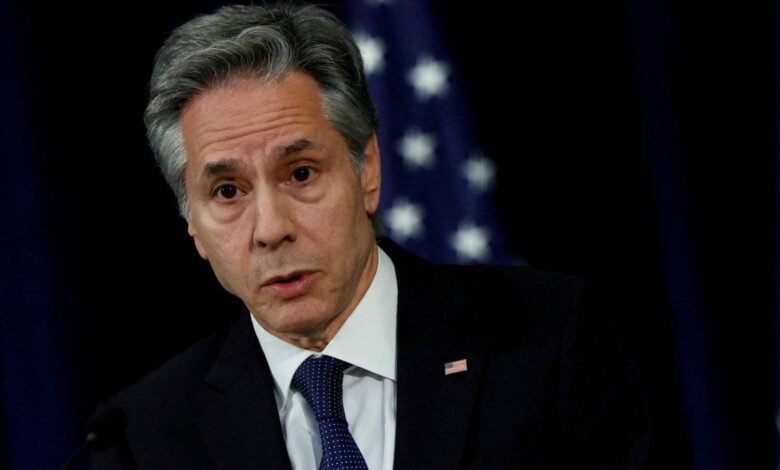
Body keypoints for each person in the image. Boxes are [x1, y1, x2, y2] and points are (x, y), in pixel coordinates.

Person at [86, 3, 651, 469]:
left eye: (300, 173)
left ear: (367, 169)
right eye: (227, 191)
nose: (271, 230)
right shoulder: (143, 437)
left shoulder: (548, 343)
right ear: (192, 223)